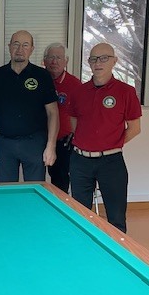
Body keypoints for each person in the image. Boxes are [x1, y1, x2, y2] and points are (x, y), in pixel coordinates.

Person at [68, 43, 142, 233]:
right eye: (93, 59)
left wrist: (110, 143)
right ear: (89, 62)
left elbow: (135, 128)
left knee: (116, 217)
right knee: (80, 213)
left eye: (103, 58)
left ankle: (117, 248)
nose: (98, 63)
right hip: (80, 161)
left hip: (111, 161)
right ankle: (83, 246)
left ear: (114, 61)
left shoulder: (126, 92)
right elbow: (74, 122)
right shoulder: (79, 92)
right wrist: (88, 143)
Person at [0, 30, 59, 183]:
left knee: (35, 189)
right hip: (4, 143)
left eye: (25, 45)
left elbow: (53, 113)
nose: (20, 49)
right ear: (9, 47)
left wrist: (51, 146)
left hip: (34, 142)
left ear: (32, 49)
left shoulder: (42, 76)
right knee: (6, 190)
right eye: (16, 44)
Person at [43, 43, 82, 193]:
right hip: (37, 138)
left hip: (63, 141)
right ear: (44, 60)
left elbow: (81, 113)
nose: (54, 61)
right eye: (51, 57)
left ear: (66, 61)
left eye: (59, 58)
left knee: (60, 181)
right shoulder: (38, 79)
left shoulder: (75, 84)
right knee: (36, 178)